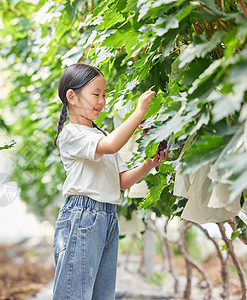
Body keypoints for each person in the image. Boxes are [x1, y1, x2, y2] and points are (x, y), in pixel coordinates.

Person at [52, 63, 169, 299]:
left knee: (102, 294)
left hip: (107, 216)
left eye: (104, 95)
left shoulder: (101, 135)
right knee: (74, 293)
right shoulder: (71, 133)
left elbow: (122, 183)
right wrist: (139, 114)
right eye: (96, 94)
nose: (102, 101)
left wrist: (149, 164)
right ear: (72, 97)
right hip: (82, 215)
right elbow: (112, 146)